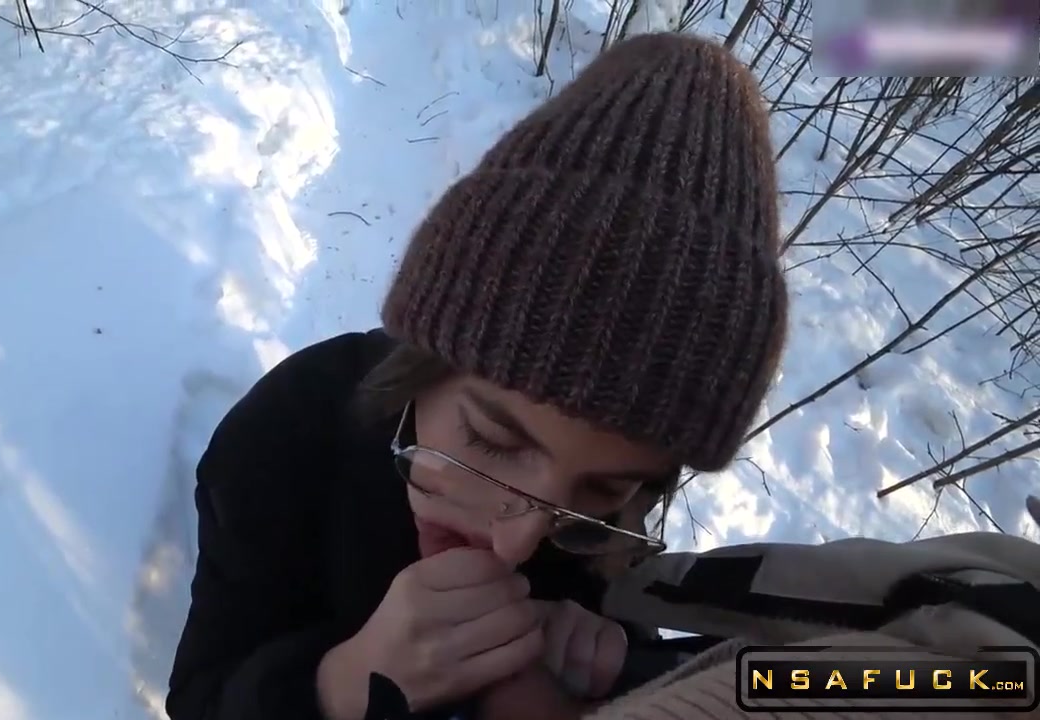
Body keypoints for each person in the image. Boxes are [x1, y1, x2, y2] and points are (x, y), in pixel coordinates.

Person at [165, 31, 789, 720]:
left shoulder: (600, 531)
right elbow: (202, 696)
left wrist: (610, 669)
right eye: (492, 440)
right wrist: (341, 684)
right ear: (423, 360)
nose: (516, 541)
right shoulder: (289, 433)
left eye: (600, 490)